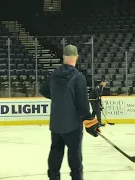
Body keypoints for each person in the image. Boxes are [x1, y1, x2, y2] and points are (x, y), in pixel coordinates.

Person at [40, 44, 101, 180]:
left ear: (63, 57)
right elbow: (82, 104)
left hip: (56, 123)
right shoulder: (78, 77)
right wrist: (90, 121)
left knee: (55, 152)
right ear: (76, 57)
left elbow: (43, 90)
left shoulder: (54, 75)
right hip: (72, 125)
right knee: (75, 156)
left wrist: (59, 98)